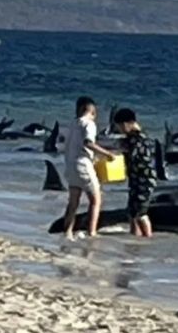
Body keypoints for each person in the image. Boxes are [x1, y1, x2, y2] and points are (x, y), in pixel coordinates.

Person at [62, 96, 117, 239]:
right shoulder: (89, 124)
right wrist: (107, 154)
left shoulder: (73, 124)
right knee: (95, 200)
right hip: (83, 166)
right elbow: (88, 143)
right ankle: (91, 232)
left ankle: (67, 232)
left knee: (73, 202)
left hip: (70, 166)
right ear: (92, 111)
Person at [113, 108, 156, 237]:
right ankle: (134, 239)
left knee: (141, 213)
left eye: (120, 127)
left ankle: (148, 239)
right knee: (132, 212)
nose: (120, 130)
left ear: (127, 124)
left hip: (145, 181)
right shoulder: (133, 137)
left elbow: (132, 154)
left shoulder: (139, 138)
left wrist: (116, 152)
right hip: (135, 179)